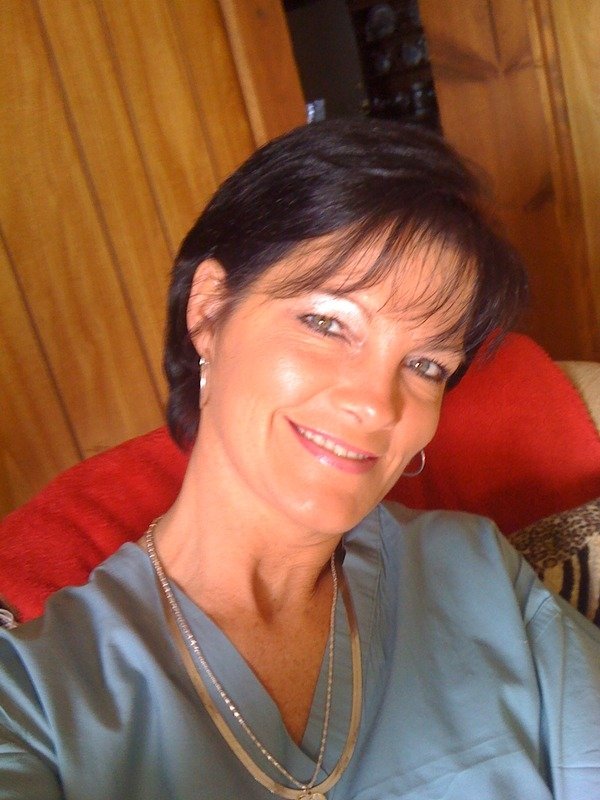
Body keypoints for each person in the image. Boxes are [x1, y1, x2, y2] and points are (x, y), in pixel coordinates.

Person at [1, 119, 599, 800]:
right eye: (327, 323)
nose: (375, 405)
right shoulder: (34, 704)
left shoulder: (478, 572)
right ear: (208, 311)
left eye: (425, 365)